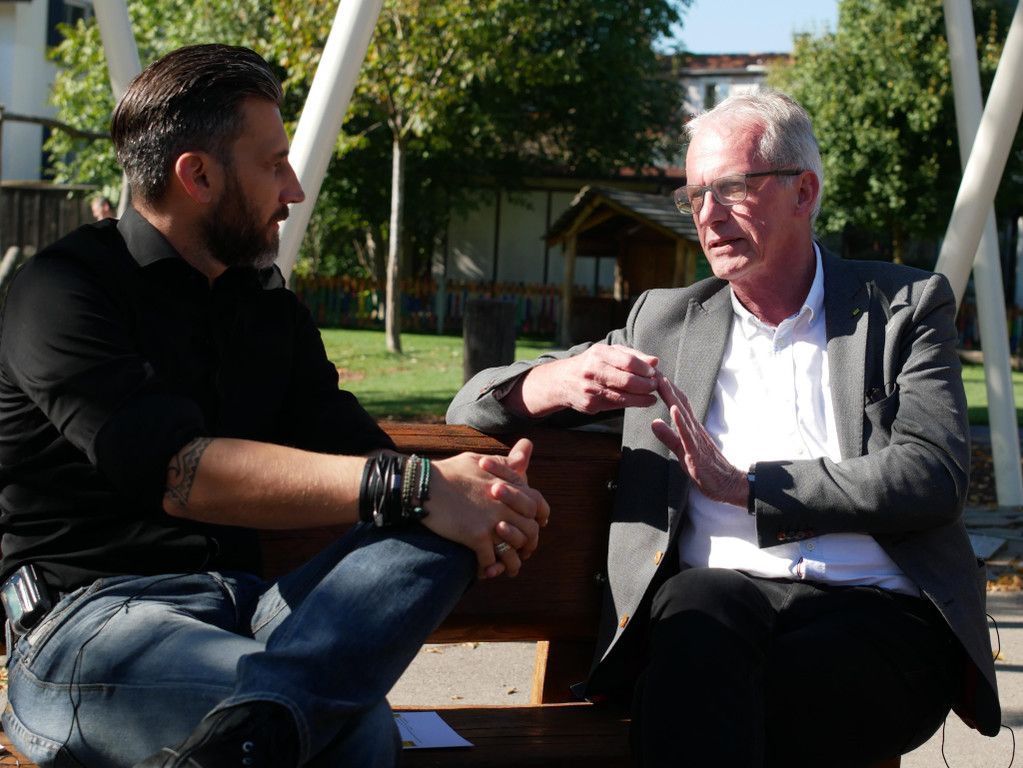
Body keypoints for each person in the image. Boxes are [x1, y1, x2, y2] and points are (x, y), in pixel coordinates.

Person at [0, 44, 548, 768]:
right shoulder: (60, 291)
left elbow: (355, 451)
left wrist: (480, 495)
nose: (294, 189)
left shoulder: (266, 307)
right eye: (274, 164)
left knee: (436, 524)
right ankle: (267, 724)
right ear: (197, 175)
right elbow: (179, 474)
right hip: (91, 628)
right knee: (354, 731)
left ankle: (252, 732)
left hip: (259, 614)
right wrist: (413, 485)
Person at [448, 89, 1000, 766]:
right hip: (719, 612)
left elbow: (933, 475)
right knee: (698, 614)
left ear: (803, 192)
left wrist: (750, 488)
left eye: (732, 189)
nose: (708, 216)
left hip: (878, 618)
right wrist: (556, 382)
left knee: (713, 692)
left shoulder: (899, 307)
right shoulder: (667, 323)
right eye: (694, 196)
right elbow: (470, 406)